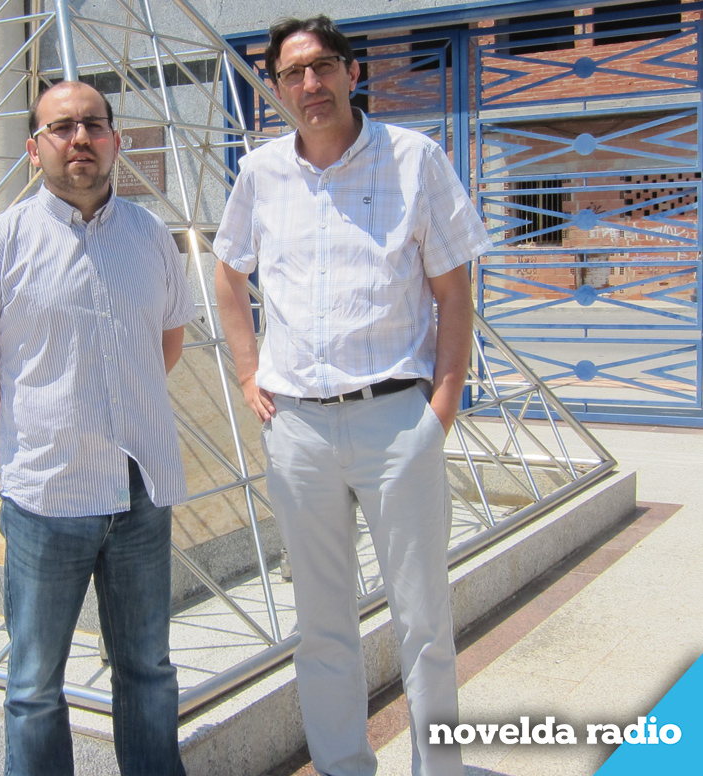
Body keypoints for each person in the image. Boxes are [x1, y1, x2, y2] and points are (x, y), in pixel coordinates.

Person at [213, 16, 492, 776]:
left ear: (351, 72)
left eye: (323, 66)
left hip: (396, 419)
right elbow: (229, 277)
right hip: (298, 428)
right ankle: (343, 766)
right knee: (321, 622)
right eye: (292, 73)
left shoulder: (414, 158)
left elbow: (453, 292)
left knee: (423, 617)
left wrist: (441, 406)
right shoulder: (260, 172)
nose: (310, 84)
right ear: (275, 88)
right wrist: (248, 374)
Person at [0, 81, 193, 776]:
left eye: (92, 124)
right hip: (47, 499)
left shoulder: (150, 236)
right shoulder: (2, 243)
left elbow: (165, 346)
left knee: (148, 670)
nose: (79, 138)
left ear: (114, 139)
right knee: (33, 687)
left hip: (140, 491)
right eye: (61, 127)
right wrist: (38, 424)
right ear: (35, 147)